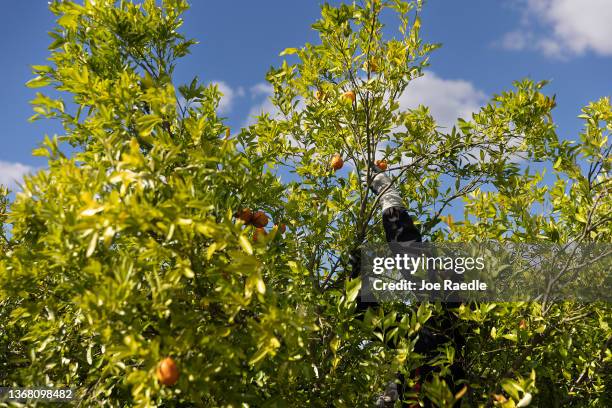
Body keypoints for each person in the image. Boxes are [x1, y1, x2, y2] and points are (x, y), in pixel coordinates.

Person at [351, 166, 465, 407]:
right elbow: (369, 317)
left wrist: (388, 196)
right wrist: (357, 278)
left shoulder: (442, 327)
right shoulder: (417, 336)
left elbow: (410, 254)